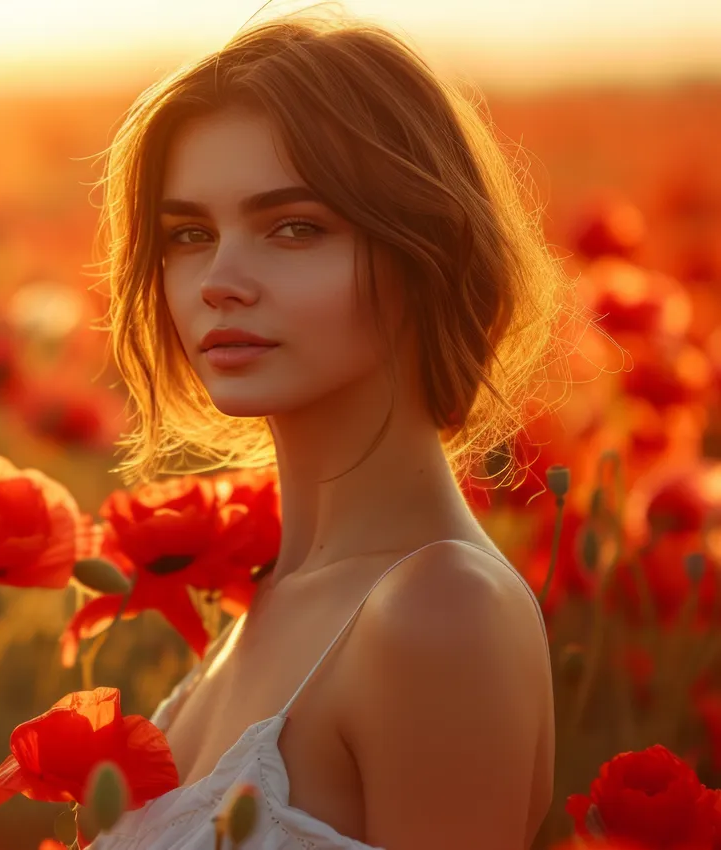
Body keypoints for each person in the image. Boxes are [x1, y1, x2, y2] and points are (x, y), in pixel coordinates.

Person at [86, 7, 580, 850]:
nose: (220, 280)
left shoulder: (440, 613)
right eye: (190, 234)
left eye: (294, 227)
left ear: (427, 251)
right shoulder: (272, 597)